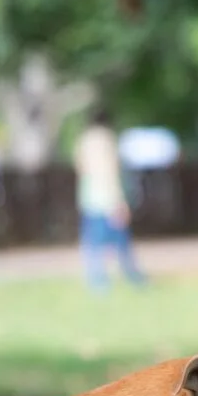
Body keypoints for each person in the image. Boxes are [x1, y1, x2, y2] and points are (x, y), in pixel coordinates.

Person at [73, 106, 146, 290]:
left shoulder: (83, 140)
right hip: (109, 197)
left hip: (90, 198)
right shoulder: (107, 140)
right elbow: (112, 171)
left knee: (93, 242)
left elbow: (81, 168)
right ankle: (132, 277)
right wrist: (120, 200)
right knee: (121, 241)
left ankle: (97, 281)